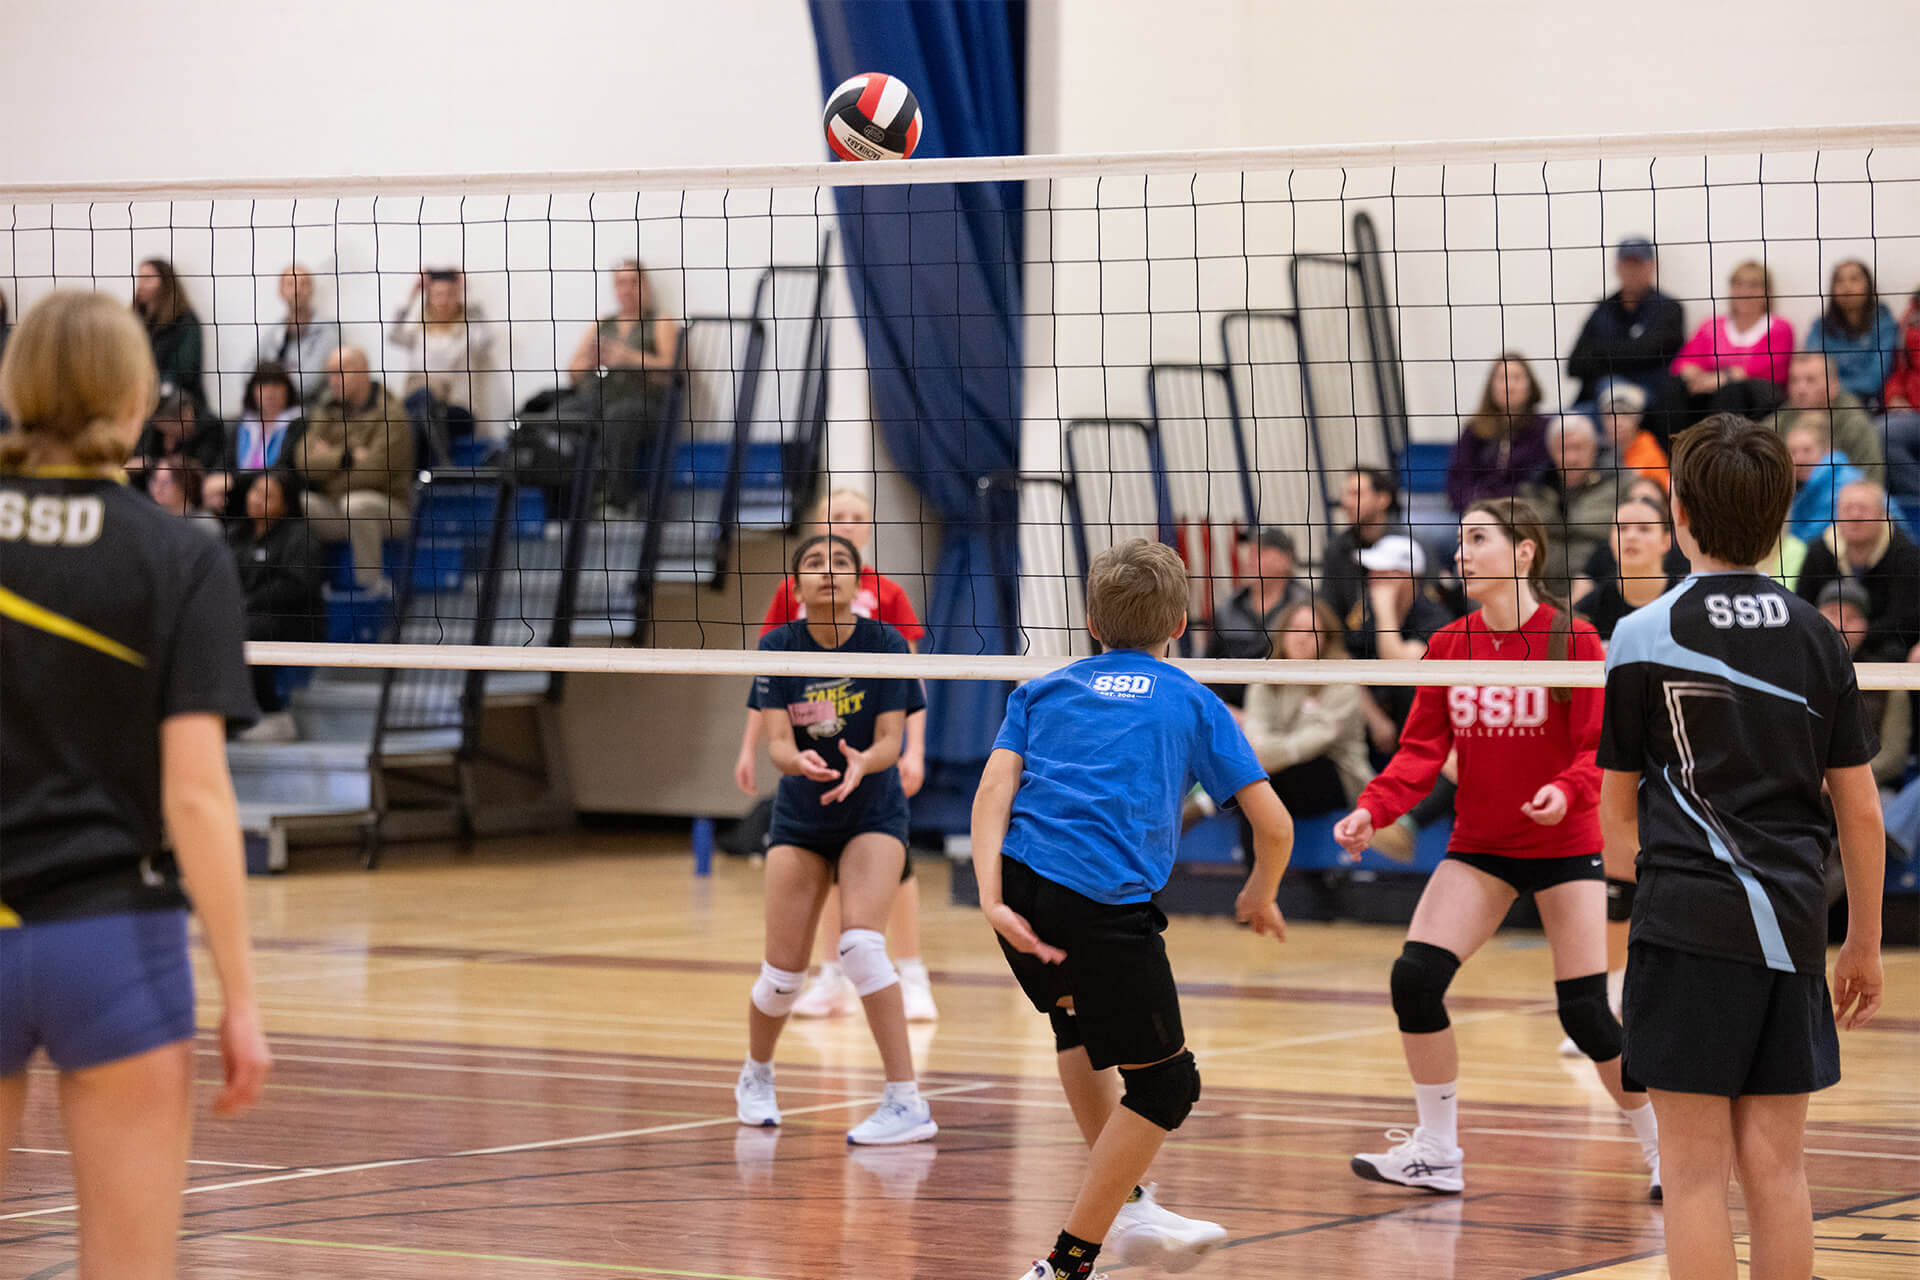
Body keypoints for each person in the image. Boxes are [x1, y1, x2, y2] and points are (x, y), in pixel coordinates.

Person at [0, 290, 272, 1274]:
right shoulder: (179, 553)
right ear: (135, 397)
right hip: (111, 936)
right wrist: (241, 995)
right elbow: (196, 794)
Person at [1597, 413, 1883, 1280]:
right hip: (1793, 925)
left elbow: (1613, 817)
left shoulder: (1639, 635)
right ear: (1784, 509)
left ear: (1678, 513)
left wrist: (1651, 897)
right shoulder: (1817, 634)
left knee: (1691, 1178)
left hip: (1684, 927)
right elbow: (1861, 814)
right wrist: (1862, 941)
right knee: (1778, 1166)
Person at [972, 537, 1292, 1280]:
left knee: (1077, 1026)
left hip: (1020, 888)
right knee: (1168, 1082)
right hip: (1102, 905)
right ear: (1179, 623)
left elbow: (993, 792)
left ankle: (1137, 1204)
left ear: (1091, 619)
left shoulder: (1041, 690)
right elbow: (1273, 825)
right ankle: (1067, 1263)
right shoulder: (1193, 700)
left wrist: (989, 895)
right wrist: (1260, 891)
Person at [1333, 497, 1661, 1197]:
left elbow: (1594, 751)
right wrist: (1373, 808)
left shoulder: (1574, 640)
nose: (1461, 553)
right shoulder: (1451, 644)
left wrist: (1566, 794)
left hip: (1565, 843)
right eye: (1460, 541)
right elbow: (1422, 749)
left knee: (1585, 1012)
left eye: (1477, 539)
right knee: (1414, 981)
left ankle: (1663, 1147)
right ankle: (1435, 1149)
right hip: (1481, 844)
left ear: (1524, 552)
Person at [733, 534, 934, 1146]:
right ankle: (756, 1075)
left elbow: (891, 739)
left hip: (872, 810)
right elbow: (776, 744)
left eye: (841, 564)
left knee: (862, 946)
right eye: (815, 565)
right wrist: (799, 764)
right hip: (800, 817)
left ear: (858, 583)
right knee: (782, 975)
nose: (828, 573)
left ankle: (906, 1102)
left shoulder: (886, 645)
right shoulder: (778, 647)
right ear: (796, 586)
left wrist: (859, 762)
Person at [560, 260, 681, 507]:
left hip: (644, 403)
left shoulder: (660, 321)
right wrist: (592, 361)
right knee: (558, 417)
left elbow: (672, 369)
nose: (627, 289)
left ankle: (618, 501)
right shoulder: (603, 322)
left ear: (645, 286)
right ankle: (563, 503)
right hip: (599, 398)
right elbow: (572, 371)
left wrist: (628, 357)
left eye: (634, 282)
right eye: (621, 283)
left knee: (619, 416)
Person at [1242, 596, 1373, 818]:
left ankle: (1204, 805)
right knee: (1253, 786)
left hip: (1340, 775)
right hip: (1275, 769)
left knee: (1262, 783)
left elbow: (1314, 742)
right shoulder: (1265, 678)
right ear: (1282, 634)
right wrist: (1265, 757)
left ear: (1326, 639)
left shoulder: (1341, 680)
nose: (1302, 638)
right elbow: (1255, 736)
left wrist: (1267, 758)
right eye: (1295, 629)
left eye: (1312, 631)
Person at [296, 346, 414, 593]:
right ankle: (313, 585)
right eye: (329, 374)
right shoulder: (326, 410)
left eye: (340, 372)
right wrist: (345, 457)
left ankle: (371, 587)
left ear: (363, 371)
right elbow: (302, 460)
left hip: (392, 508)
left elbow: (376, 472)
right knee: (301, 502)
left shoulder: (391, 414)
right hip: (340, 507)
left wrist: (326, 467)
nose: (333, 380)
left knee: (357, 504)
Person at [229, 469, 325, 743]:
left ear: (286, 504)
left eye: (268, 495)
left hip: (295, 620)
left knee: (245, 632)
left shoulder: (299, 536)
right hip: (248, 616)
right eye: (255, 492)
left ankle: (275, 716)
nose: (257, 499)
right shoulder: (236, 534)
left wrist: (248, 603)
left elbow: (296, 585)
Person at [1566, 237, 1688, 443]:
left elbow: (1651, 351)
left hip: (1651, 401)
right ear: (1617, 267)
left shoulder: (1669, 310)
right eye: (1627, 264)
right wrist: (1632, 355)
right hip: (1598, 400)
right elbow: (1575, 364)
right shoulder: (1602, 310)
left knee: (1617, 403)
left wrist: (1601, 353)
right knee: (1564, 426)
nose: (1632, 270)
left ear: (1652, 267)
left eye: (1638, 264)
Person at [1796, 479, 1920, 661]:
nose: (1855, 515)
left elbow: (1907, 619)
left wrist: (1860, 632)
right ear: (1837, 514)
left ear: (1882, 514)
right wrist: (1831, 629)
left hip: (1884, 647)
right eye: (1848, 509)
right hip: (1825, 641)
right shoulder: (1819, 551)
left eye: (1863, 509)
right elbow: (1803, 606)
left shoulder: (1905, 556)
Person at [386, 268, 497, 457]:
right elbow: (393, 335)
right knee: (421, 404)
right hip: (420, 404)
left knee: (423, 412)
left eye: (450, 294)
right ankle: (439, 468)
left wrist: (467, 293)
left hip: (457, 409)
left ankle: (429, 472)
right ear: (429, 298)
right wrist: (412, 295)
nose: (444, 301)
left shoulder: (468, 333)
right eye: (438, 294)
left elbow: (485, 340)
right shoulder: (418, 334)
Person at [1671, 261, 1794, 423]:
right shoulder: (1712, 326)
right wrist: (1692, 372)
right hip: (1711, 391)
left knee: (1730, 391)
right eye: (1738, 284)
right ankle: (1675, 444)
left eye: (1753, 285)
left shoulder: (1778, 328)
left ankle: (1722, 446)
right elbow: (1684, 362)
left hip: (1755, 398)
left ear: (1766, 293)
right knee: (1674, 386)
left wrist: (1723, 378)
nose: (1745, 291)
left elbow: (1766, 370)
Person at [1816, 581, 1912, 790]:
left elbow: (1893, 755)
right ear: (1815, 619)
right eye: (1832, 613)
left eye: (1852, 618)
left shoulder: (1889, 678)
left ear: (1866, 625)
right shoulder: (1796, 671)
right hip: (1806, 787)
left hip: (1871, 787)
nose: (1841, 625)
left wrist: (1842, 781)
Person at [1206, 526, 1308, 705]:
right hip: (1233, 715)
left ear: (1285, 560)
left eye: (1261, 552)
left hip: (1291, 715)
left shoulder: (1307, 609)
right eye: (1250, 551)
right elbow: (1207, 670)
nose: (1251, 559)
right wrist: (1226, 711)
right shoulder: (1228, 609)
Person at [1445, 353, 1553, 515]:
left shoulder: (1544, 430)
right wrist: (1473, 508)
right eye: (1502, 378)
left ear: (1530, 386)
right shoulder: (1474, 429)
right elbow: (1458, 479)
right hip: (1475, 512)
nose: (1509, 386)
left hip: (1521, 514)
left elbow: (1538, 483)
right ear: (1491, 386)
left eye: (1517, 378)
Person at [204, 360, 302, 519]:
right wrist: (214, 483)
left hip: (277, 500)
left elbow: (283, 469)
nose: (270, 393)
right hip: (239, 498)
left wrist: (232, 482)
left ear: (288, 391)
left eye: (277, 386)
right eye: (263, 385)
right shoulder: (243, 424)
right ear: (253, 391)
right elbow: (224, 462)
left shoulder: (298, 423)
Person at [1577, 495, 1680, 643]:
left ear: (1666, 541)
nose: (1631, 536)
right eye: (1622, 528)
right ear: (1610, 540)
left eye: (1644, 529)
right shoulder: (1588, 611)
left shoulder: (1684, 602)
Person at [1765, 352, 1884, 474]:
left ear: (1833, 386)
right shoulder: (1784, 416)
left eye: (1810, 380)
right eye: (1794, 380)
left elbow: (1871, 480)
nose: (1800, 389)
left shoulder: (1855, 424)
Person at [1805, 259, 1901, 407]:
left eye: (1854, 279)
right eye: (1840, 281)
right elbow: (1810, 370)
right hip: (1823, 402)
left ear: (1868, 285)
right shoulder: (1820, 327)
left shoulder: (1885, 324)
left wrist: (1832, 388)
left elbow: (1875, 378)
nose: (1846, 287)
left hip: (1868, 405)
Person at [1546, 413, 1620, 595]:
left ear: (1593, 448)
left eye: (1578, 448)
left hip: (1599, 590)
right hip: (1543, 592)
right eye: (1563, 449)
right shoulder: (1535, 489)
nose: (1570, 458)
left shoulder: (1620, 483)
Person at [1321, 465, 1400, 625]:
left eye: (1355, 494)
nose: (1346, 502)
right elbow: (1328, 612)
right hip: (1351, 645)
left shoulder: (1407, 546)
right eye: (1345, 495)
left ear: (1383, 499)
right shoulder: (1336, 549)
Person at [255, 265, 344, 404]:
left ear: (312, 290)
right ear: (281, 291)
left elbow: (308, 384)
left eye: (304, 284)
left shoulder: (328, 331)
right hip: (273, 412)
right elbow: (249, 371)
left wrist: (268, 388)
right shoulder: (275, 332)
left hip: (311, 412)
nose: (297, 290)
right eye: (290, 284)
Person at [132, 258, 205, 406]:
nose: (140, 285)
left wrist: (148, 383)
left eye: (147, 279)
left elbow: (185, 372)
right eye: (139, 278)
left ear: (165, 283)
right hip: (143, 404)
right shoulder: (134, 321)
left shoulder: (185, 321)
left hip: (179, 407)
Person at [1783, 415, 1863, 545]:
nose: (1799, 460)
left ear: (1825, 451)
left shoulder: (1842, 484)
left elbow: (1811, 541)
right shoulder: (1800, 486)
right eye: (1792, 452)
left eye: (1807, 450)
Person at [1593, 377, 1670, 489]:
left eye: (1625, 414)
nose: (1617, 422)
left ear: (1637, 419)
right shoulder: (1600, 450)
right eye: (1610, 415)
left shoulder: (1649, 451)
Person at [1881, 287, 1920, 500]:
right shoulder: (1911, 317)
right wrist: (1894, 395)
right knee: (1883, 432)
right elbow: (1900, 368)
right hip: (1912, 413)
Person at [145, 456, 222, 539]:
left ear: (185, 485)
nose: (158, 488)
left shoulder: (205, 524)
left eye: (166, 482)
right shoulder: (149, 517)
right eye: (155, 480)